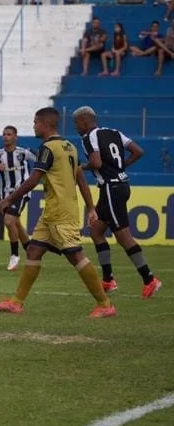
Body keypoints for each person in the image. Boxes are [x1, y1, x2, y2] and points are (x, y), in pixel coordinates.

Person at [0, 107, 115, 318]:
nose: (34, 126)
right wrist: (90, 207)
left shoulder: (47, 148)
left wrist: (9, 199)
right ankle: (16, 303)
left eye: (35, 122)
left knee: (76, 256)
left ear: (44, 124)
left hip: (60, 213)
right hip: (53, 213)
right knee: (34, 251)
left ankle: (105, 304)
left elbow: (33, 179)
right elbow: (81, 180)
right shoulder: (70, 146)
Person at [73, 107, 161, 298]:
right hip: (116, 186)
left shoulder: (89, 137)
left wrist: (80, 167)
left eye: (76, 123)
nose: (75, 127)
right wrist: (121, 167)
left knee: (123, 236)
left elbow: (96, 163)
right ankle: (108, 279)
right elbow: (138, 151)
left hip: (111, 188)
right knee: (96, 231)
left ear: (85, 121)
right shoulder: (114, 132)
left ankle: (149, 279)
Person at [0, 125, 35, 271]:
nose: (5, 137)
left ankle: (14, 255)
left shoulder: (23, 153)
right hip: (5, 194)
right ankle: (30, 250)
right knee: (15, 223)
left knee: (9, 220)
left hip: (21, 192)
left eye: (9, 134)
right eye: (4, 134)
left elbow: (42, 162)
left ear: (15, 137)